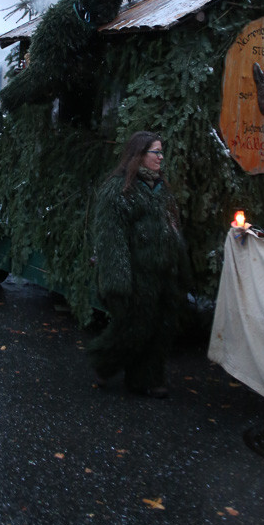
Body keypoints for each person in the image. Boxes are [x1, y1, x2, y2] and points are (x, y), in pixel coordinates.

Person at [87, 130, 192, 398]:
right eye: (156, 152)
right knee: (134, 327)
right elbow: (112, 239)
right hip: (137, 275)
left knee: (161, 328)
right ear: (139, 155)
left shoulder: (162, 189)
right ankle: (104, 362)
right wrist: (117, 282)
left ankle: (147, 377)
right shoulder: (119, 189)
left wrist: (181, 270)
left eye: (161, 152)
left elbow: (173, 230)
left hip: (164, 274)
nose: (161, 157)